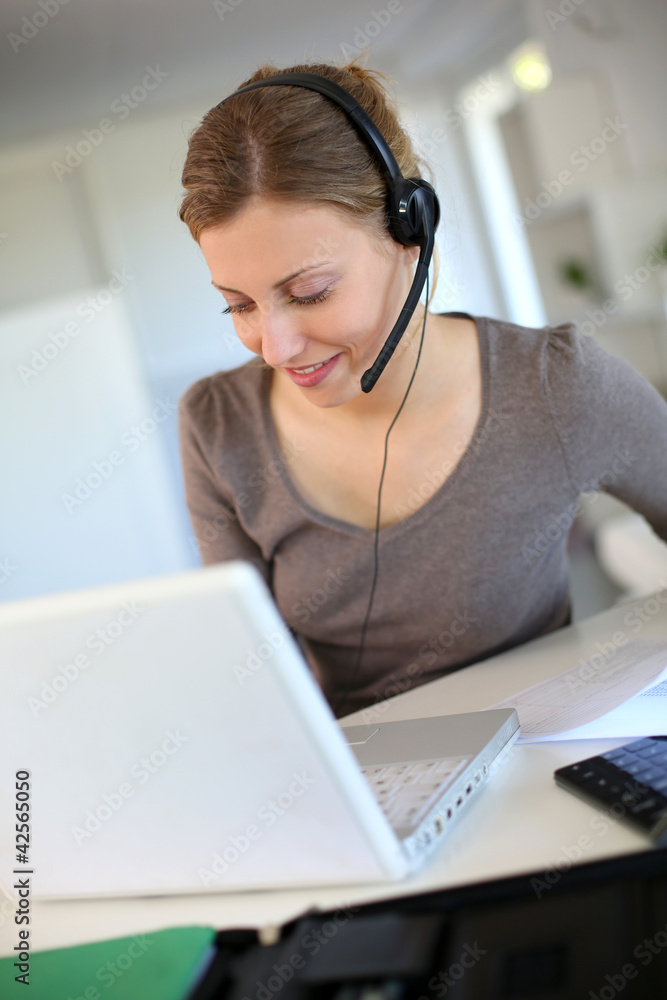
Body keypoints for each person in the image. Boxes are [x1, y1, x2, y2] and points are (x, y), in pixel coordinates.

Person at [177, 59, 667, 719]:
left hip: (556, 773)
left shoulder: (557, 384)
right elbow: (262, 684)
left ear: (411, 232)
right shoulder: (217, 426)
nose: (274, 347)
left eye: (309, 293)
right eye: (237, 306)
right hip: (371, 798)